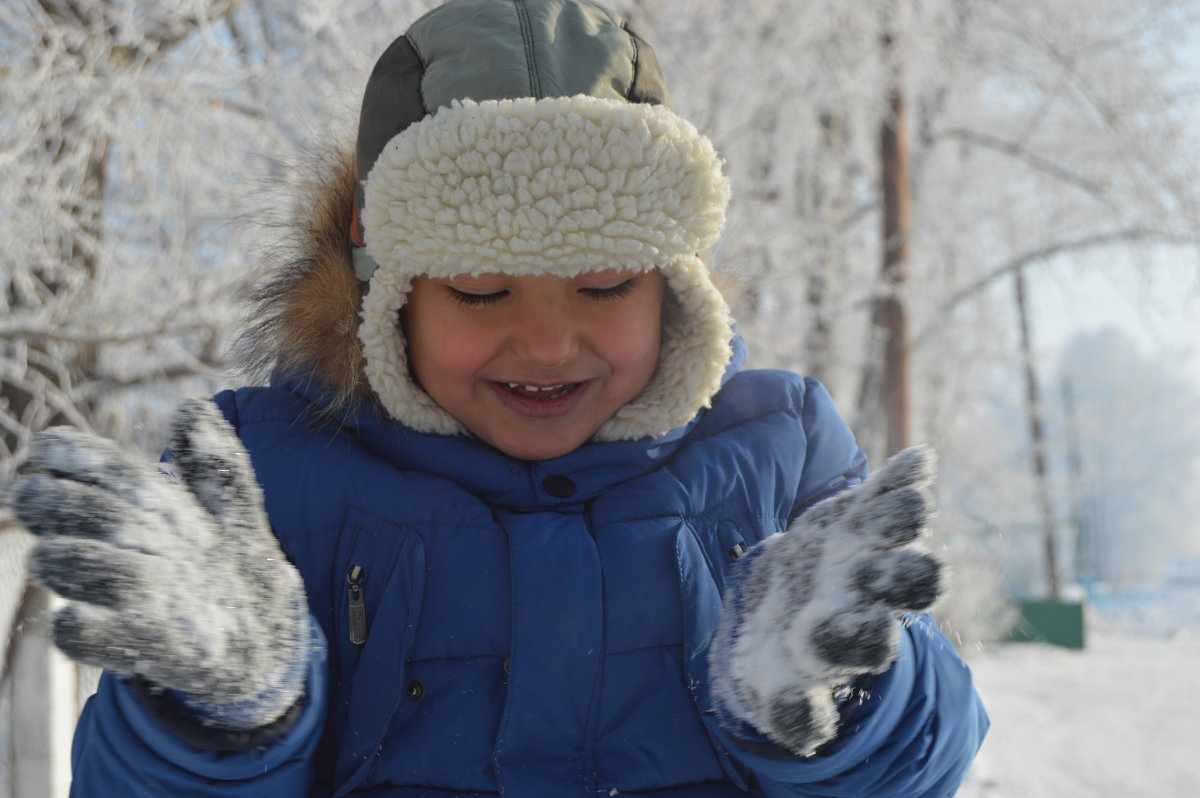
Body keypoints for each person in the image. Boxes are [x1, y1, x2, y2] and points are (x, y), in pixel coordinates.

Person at [9, 1, 988, 795]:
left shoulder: (779, 453)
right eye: (482, 291)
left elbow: (927, 767)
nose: (549, 342)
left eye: (604, 286)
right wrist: (225, 717)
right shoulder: (268, 484)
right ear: (383, 283)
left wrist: (856, 706)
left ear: (672, 279)